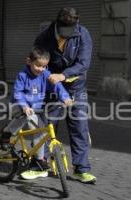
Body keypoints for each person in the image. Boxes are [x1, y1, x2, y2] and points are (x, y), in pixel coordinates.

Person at [34, 7, 97, 184]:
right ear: (57, 23)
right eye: (63, 31)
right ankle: (39, 165)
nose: (66, 35)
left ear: (77, 23)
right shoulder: (45, 36)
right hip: (53, 88)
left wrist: (64, 75)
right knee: (48, 125)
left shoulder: (82, 34)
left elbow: (83, 63)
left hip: (77, 89)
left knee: (79, 128)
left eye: (70, 31)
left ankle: (81, 169)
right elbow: (37, 59)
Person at [0, 47, 73, 180]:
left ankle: (39, 160)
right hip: (18, 106)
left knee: (41, 132)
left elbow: (57, 86)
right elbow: (18, 93)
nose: (40, 69)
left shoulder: (45, 74)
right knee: (27, 115)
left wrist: (65, 98)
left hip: (35, 108)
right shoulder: (22, 75)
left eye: (44, 66)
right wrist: (24, 106)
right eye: (37, 65)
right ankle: (6, 132)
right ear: (29, 61)